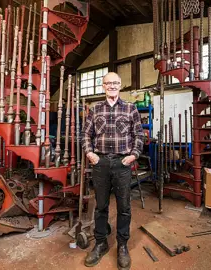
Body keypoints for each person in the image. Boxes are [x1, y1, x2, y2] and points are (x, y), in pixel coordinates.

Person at [82, 72, 144, 269]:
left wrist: (134, 154)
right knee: (100, 206)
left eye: (115, 83)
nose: (112, 86)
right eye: (108, 83)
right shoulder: (95, 109)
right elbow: (85, 134)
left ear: (120, 85)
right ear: (103, 86)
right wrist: (90, 153)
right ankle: (100, 243)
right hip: (100, 164)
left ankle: (123, 245)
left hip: (122, 164)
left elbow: (139, 134)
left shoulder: (130, 108)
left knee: (124, 208)